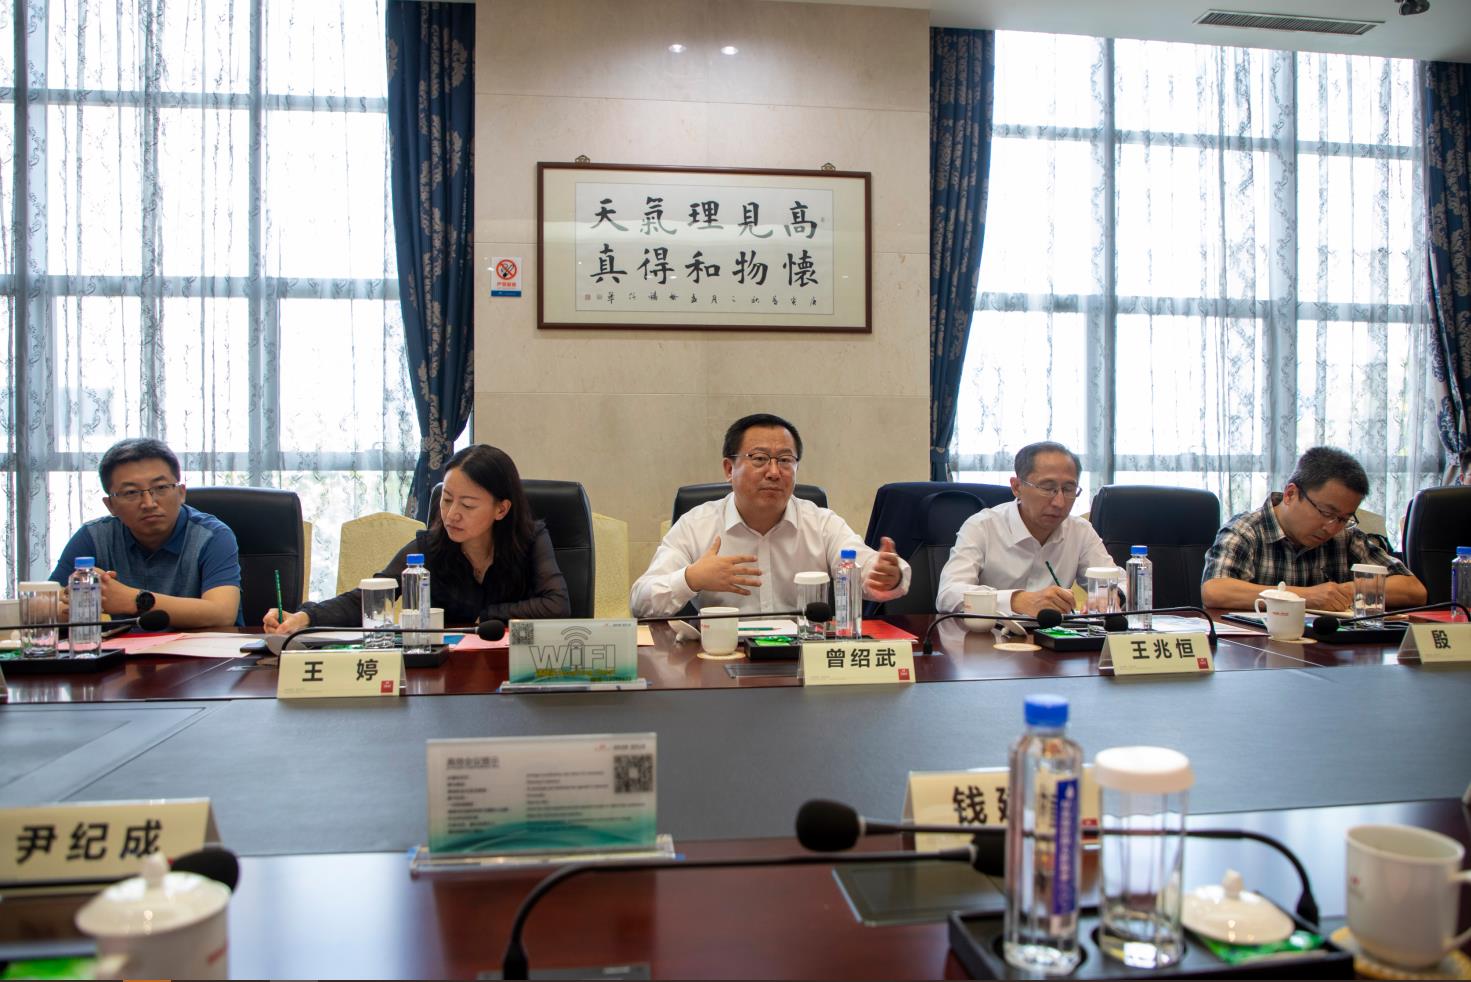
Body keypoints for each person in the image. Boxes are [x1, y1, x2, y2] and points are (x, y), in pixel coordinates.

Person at [266, 444, 570, 633]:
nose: (451, 514)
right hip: (447, 672)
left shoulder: (530, 539)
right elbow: (369, 599)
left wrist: (489, 616)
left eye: (467, 505)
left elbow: (557, 605)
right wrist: (306, 617)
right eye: (447, 499)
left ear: (501, 509)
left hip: (515, 667)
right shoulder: (430, 548)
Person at [630, 413, 909, 616]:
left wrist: (886, 574)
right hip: (722, 659)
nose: (774, 472)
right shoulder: (696, 525)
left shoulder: (821, 523)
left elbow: (862, 565)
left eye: (785, 460)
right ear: (729, 469)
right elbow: (641, 601)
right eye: (759, 459)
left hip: (803, 658)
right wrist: (691, 578)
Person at [1200, 446, 1427, 610]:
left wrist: (1346, 591)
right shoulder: (1246, 530)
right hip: (1258, 653)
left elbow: (1413, 589)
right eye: (1326, 513)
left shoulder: (1345, 537)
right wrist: (1305, 597)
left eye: (1343, 518)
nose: (1332, 528)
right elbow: (1215, 590)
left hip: (1328, 653)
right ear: (1291, 494)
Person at [49, 438, 242, 628]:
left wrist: (133, 600)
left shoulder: (212, 536)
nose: (149, 503)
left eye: (161, 488)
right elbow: (46, 605)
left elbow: (222, 613)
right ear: (110, 505)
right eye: (131, 492)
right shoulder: (93, 537)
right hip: (120, 649)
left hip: (200, 649)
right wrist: (79, 604)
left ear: (181, 493)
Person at [936, 441, 1114, 616]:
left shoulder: (1080, 531)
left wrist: (1109, 596)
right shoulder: (982, 527)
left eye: (1068, 489)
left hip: (1055, 633)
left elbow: (1118, 582)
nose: (1059, 502)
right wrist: (1016, 600)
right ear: (1017, 487)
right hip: (990, 633)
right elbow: (948, 594)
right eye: (1048, 488)